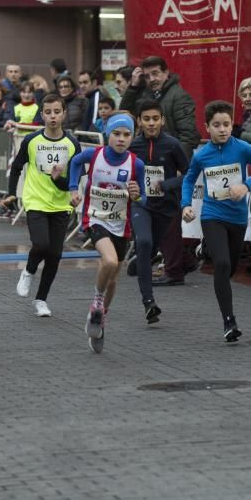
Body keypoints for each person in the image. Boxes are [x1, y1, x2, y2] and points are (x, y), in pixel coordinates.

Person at [181, 100, 251, 343]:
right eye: (217, 125)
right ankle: (229, 321)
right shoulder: (202, 155)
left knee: (230, 268)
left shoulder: (242, 148)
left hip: (237, 217)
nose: (222, 129)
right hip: (212, 215)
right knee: (221, 264)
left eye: (227, 124)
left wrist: (246, 185)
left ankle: (207, 247)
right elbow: (189, 180)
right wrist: (186, 205)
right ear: (206, 127)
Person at [68, 113, 146, 353]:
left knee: (113, 277)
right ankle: (96, 304)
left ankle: (101, 319)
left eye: (127, 135)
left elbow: (142, 198)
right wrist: (73, 188)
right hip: (95, 219)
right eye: (117, 134)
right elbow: (74, 162)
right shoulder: (95, 155)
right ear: (108, 135)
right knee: (109, 260)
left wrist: (136, 194)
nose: (121, 139)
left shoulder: (137, 164)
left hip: (120, 225)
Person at [0, 94, 80, 316]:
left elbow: (73, 180)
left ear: (64, 114)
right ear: (42, 114)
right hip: (35, 200)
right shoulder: (32, 141)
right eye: (48, 112)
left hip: (61, 204)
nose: (53, 116)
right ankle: (28, 270)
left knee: (55, 255)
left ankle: (41, 300)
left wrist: (60, 181)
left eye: (57, 112)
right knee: (41, 245)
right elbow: (16, 167)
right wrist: (11, 194)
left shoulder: (72, 144)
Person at [127, 99, 189, 313]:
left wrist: (168, 184)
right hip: (141, 205)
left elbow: (190, 174)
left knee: (150, 247)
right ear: (139, 121)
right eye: (146, 119)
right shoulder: (132, 146)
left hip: (166, 208)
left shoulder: (172, 145)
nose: (151, 123)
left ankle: (142, 261)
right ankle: (148, 302)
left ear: (162, 120)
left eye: (155, 119)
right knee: (144, 242)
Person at [119, 56, 200, 158]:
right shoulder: (144, 94)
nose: (152, 79)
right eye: (147, 76)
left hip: (171, 160)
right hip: (146, 159)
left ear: (166, 73)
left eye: (155, 73)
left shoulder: (179, 96)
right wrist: (133, 86)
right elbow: (124, 115)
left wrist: (178, 164)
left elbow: (188, 136)